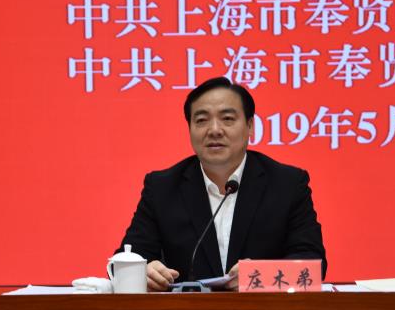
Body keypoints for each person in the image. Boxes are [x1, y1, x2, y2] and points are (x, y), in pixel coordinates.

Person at [117, 77, 327, 291]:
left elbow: (313, 264)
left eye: (227, 119)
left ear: (250, 126)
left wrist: (260, 276)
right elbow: (126, 257)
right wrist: (142, 271)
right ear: (189, 128)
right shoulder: (162, 188)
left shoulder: (287, 184)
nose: (214, 130)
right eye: (201, 120)